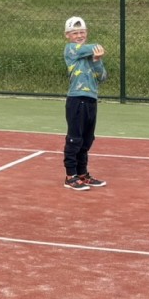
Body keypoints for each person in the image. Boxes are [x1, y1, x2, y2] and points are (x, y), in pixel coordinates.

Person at [62, 16, 108, 191]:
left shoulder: (91, 55)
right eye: (75, 33)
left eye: (82, 32)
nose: (79, 36)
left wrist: (97, 60)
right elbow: (89, 48)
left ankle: (82, 174)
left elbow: (102, 76)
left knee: (87, 139)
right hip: (76, 100)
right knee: (75, 138)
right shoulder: (71, 49)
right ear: (67, 35)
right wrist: (97, 49)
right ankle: (70, 176)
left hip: (91, 101)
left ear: (86, 33)